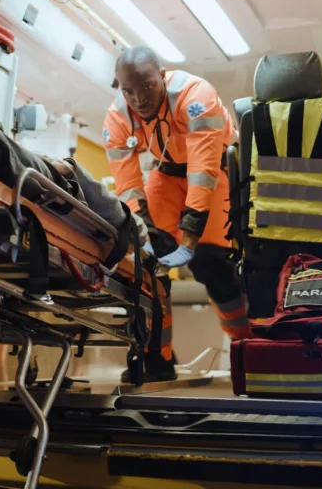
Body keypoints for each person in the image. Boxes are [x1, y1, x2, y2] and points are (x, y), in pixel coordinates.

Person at [103, 46, 252, 377]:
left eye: (147, 86)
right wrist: (143, 226)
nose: (139, 98)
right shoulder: (117, 116)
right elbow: (127, 183)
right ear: (119, 87)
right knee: (145, 264)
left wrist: (191, 231)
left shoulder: (197, 95)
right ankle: (156, 357)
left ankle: (248, 347)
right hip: (167, 174)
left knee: (210, 262)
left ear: (162, 75)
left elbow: (203, 168)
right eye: (129, 90)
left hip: (219, 170)